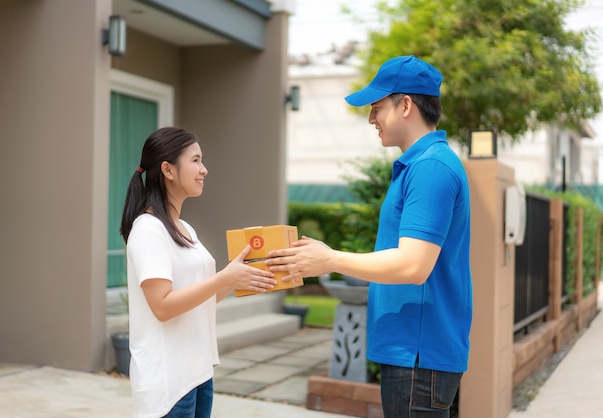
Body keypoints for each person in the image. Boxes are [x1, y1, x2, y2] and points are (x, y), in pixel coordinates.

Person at [266, 56, 472, 417]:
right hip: (414, 352)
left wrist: (330, 259)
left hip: (417, 354)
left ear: (405, 104)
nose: (371, 119)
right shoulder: (422, 164)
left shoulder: (430, 169)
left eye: (377, 107)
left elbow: (413, 265)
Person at [120, 126, 277, 418]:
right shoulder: (148, 230)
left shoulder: (185, 229)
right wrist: (225, 277)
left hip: (198, 372)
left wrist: (238, 276)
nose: (204, 170)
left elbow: (200, 297)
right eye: (195, 160)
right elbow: (163, 307)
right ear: (167, 169)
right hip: (169, 383)